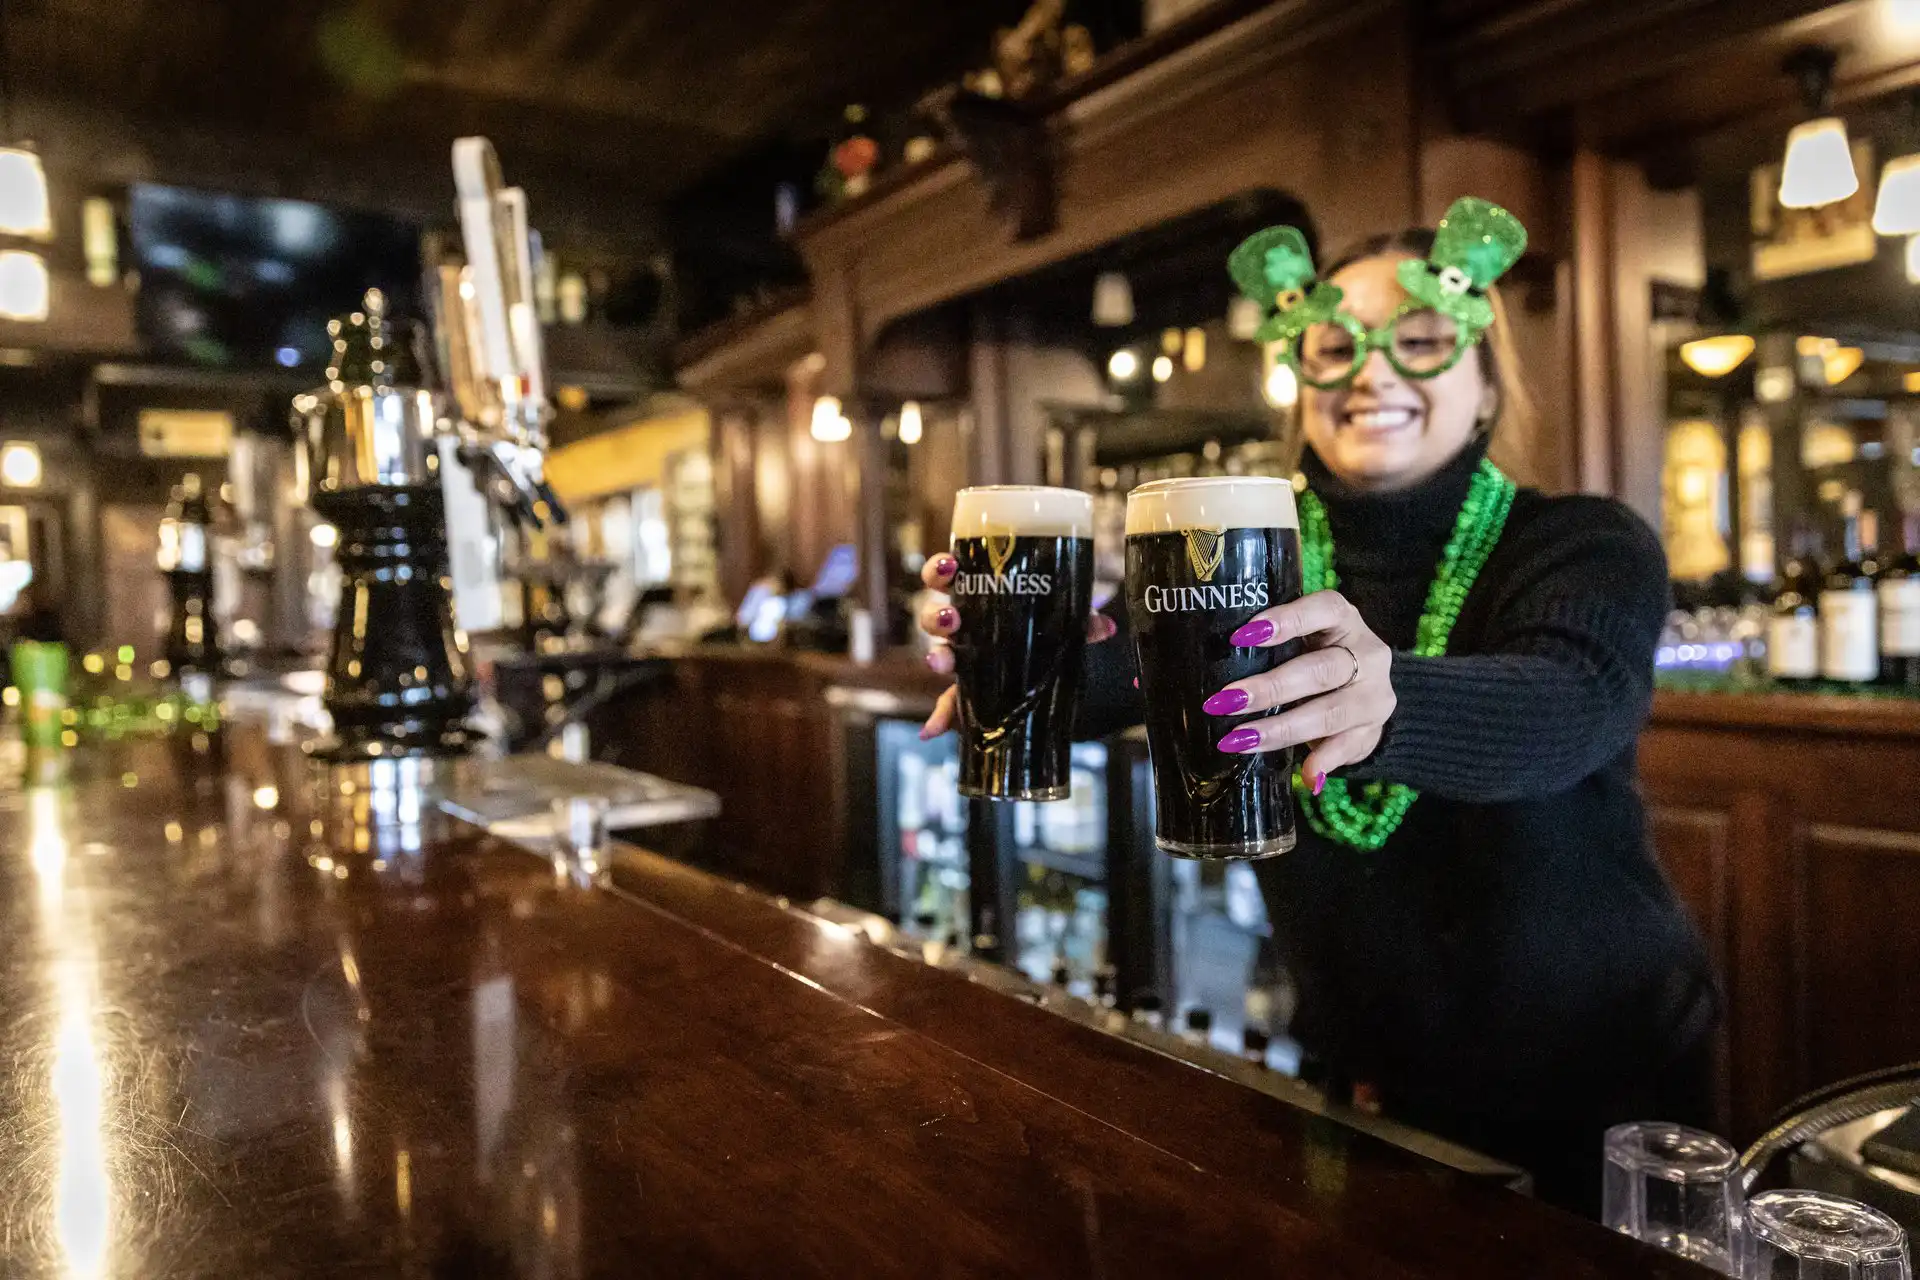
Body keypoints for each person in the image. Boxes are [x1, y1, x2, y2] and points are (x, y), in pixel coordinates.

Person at [914, 200, 1718, 1217]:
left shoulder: (1582, 541)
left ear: (1484, 385)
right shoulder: (1245, 555)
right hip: (1364, 1078)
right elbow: (1130, 675)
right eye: (1336, 346)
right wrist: (1007, 654)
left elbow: (1572, 701)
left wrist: (1382, 703)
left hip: (1604, 1086)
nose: (1375, 373)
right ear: (1303, 382)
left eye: (1421, 341)